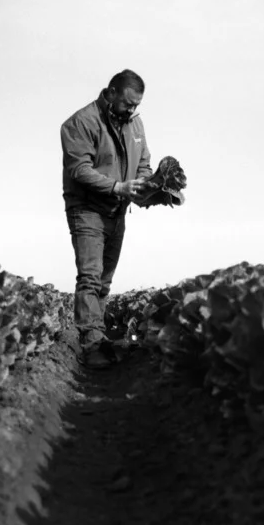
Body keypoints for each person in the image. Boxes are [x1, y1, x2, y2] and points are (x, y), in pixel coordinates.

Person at [60, 69, 153, 353]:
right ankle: (91, 344)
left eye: (137, 104)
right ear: (111, 93)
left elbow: (144, 164)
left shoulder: (135, 125)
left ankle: (97, 340)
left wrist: (148, 187)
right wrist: (117, 187)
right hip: (87, 209)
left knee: (104, 280)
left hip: (117, 210)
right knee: (90, 276)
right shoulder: (80, 123)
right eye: (127, 103)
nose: (132, 109)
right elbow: (79, 170)